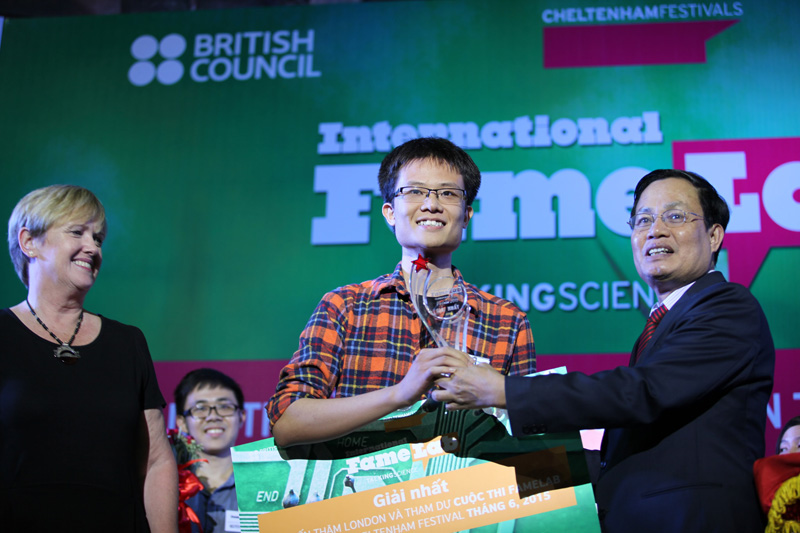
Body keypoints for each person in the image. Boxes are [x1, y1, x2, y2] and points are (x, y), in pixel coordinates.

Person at [432, 169, 775, 532]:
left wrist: (503, 391)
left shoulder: (727, 306)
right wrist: (492, 467)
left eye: (675, 216)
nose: (655, 230)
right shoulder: (662, 323)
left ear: (714, 235)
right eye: (643, 220)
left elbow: (641, 392)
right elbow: (637, 449)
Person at [266, 137, 536, 447]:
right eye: (415, 191)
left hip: (469, 480)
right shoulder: (346, 307)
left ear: (466, 216)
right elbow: (287, 423)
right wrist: (400, 394)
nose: (431, 204)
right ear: (390, 212)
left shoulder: (507, 321)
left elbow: (529, 435)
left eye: (448, 193)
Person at [0, 185, 178, 532]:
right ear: (29, 242)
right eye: (77, 232)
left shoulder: (127, 343)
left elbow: (156, 461)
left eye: (98, 238)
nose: (93, 247)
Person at [175, 368, 246, 533]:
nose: (213, 416)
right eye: (200, 408)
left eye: (224, 407)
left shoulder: (262, 485)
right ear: (182, 422)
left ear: (242, 416)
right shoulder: (169, 483)